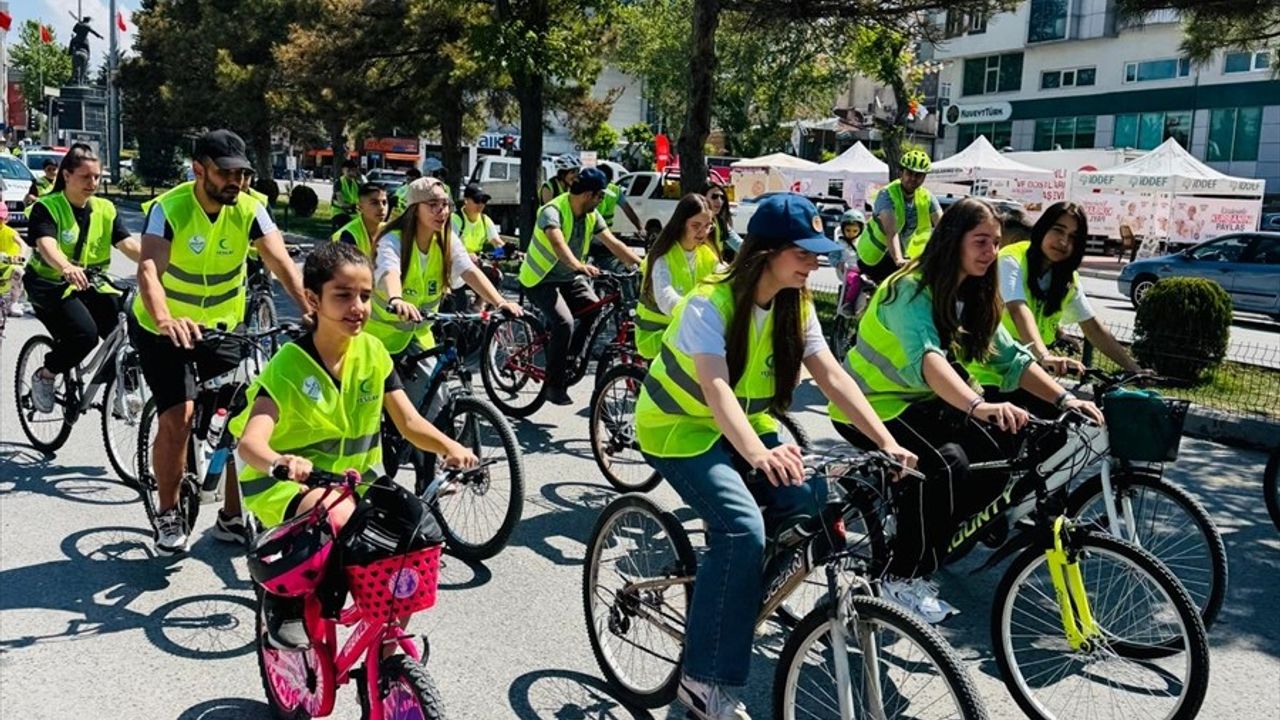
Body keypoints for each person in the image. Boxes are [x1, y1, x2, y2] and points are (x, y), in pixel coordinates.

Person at [635, 193, 916, 720]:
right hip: (676, 428)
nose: (816, 262)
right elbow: (716, 389)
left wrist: (886, 442)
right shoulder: (708, 302)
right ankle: (702, 682)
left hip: (744, 423)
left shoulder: (797, 301)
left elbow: (833, 375)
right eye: (804, 253)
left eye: (817, 253)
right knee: (742, 528)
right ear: (766, 252)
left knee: (815, 502)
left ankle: (732, 601)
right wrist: (758, 457)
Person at [830, 197, 1104, 622]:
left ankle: (931, 531)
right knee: (942, 464)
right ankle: (901, 575)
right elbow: (928, 360)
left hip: (919, 401)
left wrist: (1066, 400)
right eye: (980, 241)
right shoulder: (910, 288)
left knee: (1003, 447)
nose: (990, 252)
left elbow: (1010, 359)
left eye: (996, 243)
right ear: (952, 240)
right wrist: (979, 406)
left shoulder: (974, 294)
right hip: (867, 404)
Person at [232, 241, 478, 649]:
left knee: (419, 533)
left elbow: (410, 421)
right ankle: (284, 601)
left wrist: (450, 446)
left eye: (365, 296)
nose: (358, 307)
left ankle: (385, 647)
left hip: (357, 481)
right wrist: (281, 463)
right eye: (343, 295)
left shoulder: (373, 352)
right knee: (346, 524)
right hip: (287, 487)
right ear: (313, 298)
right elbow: (250, 443)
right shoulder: (289, 365)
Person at [133, 129, 307, 555]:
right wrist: (164, 319)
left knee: (248, 416)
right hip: (163, 329)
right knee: (180, 416)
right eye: (226, 173)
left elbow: (280, 260)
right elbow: (149, 272)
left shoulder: (251, 209)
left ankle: (231, 517)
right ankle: (169, 509)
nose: (237, 182)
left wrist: (310, 308)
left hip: (221, 328)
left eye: (243, 174)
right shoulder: (168, 208)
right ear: (199, 170)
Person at [369, 177, 521, 416]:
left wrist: (500, 302)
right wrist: (396, 300)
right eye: (432, 205)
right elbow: (389, 271)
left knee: (436, 402)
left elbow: (469, 270)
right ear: (414, 209)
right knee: (372, 408)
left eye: (445, 204)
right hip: (378, 339)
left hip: (418, 335)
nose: (442, 211)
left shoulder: (447, 240)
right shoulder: (393, 240)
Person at [970, 202, 1144, 401]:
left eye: (1073, 238)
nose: (1064, 242)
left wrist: (1135, 369)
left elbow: (1092, 327)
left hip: (1027, 374)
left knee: (1069, 418)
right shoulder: (1011, 260)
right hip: (989, 375)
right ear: (1043, 228)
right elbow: (1018, 309)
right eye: (1058, 231)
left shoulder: (1066, 278)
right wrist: (1045, 357)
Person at [25, 146, 141, 413]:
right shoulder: (48, 207)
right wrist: (65, 267)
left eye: (98, 177)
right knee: (84, 336)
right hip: (50, 286)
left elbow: (127, 245)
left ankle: (125, 391)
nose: (93, 183)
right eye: (86, 177)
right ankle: (46, 374)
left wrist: (159, 263)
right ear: (66, 175)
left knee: (133, 328)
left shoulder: (105, 209)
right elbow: (46, 244)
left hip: (91, 284)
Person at [519, 167, 642, 406]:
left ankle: (570, 358)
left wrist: (642, 264)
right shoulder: (552, 210)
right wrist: (578, 265)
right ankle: (554, 385)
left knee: (594, 307)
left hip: (568, 277)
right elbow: (557, 241)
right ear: (588, 195)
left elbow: (613, 243)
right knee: (563, 322)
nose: (602, 201)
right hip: (539, 279)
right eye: (600, 196)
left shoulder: (591, 216)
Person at [634, 193, 721, 359]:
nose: (703, 232)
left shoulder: (705, 253)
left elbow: (725, 276)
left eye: (708, 226)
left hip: (686, 332)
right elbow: (665, 297)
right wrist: (695, 314)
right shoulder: (662, 256)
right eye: (696, 226)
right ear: (681, 224)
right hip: (656, 337)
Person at [855, 149, 941, 284]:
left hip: (904, 258)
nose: (913, 178)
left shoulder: (927, 198)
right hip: (874, 257)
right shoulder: (887, 194)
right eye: (909, 173)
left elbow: (944, 226)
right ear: (901, 172)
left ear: (924, 177)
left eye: (919, 175)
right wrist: (898, 259)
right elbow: (891, 231)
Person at [331, 183, 388, 260]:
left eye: (384, 202)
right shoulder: (348, 235)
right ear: (360, 207)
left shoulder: (390, 230)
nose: (382, 208)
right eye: (374, 203)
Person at [596, 164, 644, 236]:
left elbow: (628, 210)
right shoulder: (588, 190)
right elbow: (628, 210)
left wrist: (640, 228)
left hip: (604, 233)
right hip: (596, 234)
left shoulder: (615, 190)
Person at [703, 180, 743, 260]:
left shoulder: (720, 222)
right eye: (714, 196)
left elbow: (739, 244)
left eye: (722, 197)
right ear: (703, 197)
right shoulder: (696, 223)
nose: (719, 201)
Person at [0, 204, 27, 316]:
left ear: (6, 218)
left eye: (1, 218)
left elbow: (23, 244)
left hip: (7, 263)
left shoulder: (10, 232)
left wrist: (20, 255)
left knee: (19, 272)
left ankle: (13, 303)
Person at [332, 160, 365, 230]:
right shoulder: (339, 183)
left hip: (353, 213)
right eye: (348, 170)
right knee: (343, 223)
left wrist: (361, 179)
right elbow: (341, 203)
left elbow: (364, 196)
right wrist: (353, 206)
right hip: (339, 212)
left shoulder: (357, 183)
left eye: (354, 170)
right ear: (343, 170)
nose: (351, 173)